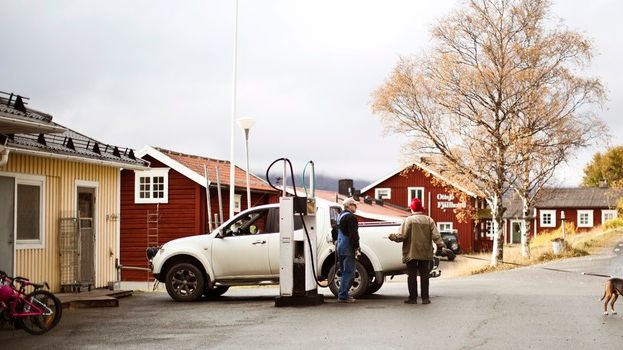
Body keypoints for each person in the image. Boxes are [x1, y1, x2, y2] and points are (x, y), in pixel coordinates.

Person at [389, 197, 446, 304]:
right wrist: (440, 246)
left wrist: (392, 237)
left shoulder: (408, 220)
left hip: (411, 252)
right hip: (426, 253)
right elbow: (436, 236)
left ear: (412, 209)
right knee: (425, 276)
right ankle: (425, 298)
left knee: (412, 276)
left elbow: (401, 236)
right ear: (422, 209)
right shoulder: (429, 220)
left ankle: (413, 298)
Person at [336, 197, 360, 303]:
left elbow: (334, 231)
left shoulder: (340, 216)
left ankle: (342, 293)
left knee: (343, 270)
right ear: (349, 205)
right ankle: (343, 295)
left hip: (340, 245)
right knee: (349, 272)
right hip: (348, 246)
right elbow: (353, 235)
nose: (356, 207)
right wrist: (356, 247)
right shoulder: (351, 218)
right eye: (354, 205)